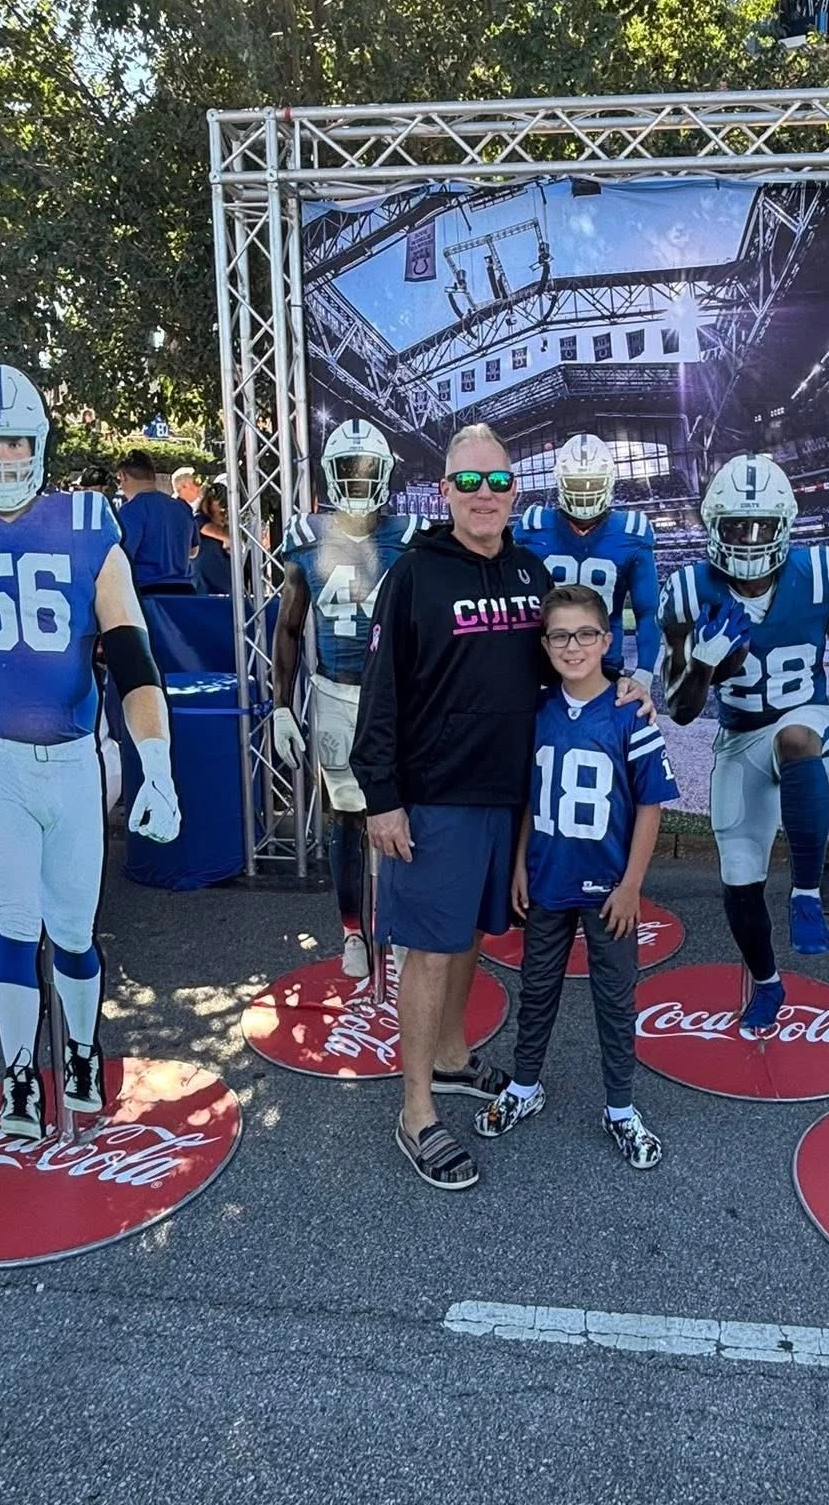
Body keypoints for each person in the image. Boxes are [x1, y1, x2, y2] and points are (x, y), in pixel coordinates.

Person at [351, 423, 651, 1190]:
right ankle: (416, 1110)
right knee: (428, 951)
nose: (483, 495)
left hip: (512, 798)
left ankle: (452, 1058)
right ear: (445, 491)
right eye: (468, 482)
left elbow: (566, 657)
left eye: (497, 481)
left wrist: (621, 680)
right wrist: (382, 798)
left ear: (515, 491)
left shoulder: (528, 571)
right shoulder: (413, 575)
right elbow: (380, 693)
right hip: (435, 797)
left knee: (471, 939)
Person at [0, 364, 181, 1139]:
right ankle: (20, 1071)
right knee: (15, 926)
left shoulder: (88, 521)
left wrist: (156, 765)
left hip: (71, 758)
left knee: (77, 931)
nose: (3, 455)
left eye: (15, 439)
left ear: (39, 441)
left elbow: (133, 658)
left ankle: (81, 1051)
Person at [659, 452, 829, 1034]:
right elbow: (681, 711)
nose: (749, 539)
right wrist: (703, 665)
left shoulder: (820, 575)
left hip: (805, 714)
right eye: (736, 526)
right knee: (740, 883)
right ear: (712, 526)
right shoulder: (690, 590)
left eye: (761, 526)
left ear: (785, 526)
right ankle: (768, 982)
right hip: (739, 737)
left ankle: (807, 892)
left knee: (797, 739)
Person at [475, 584, 679, 1170]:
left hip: (609, 886)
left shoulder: (628, 712)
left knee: (615, 998)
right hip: (548, 877)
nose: (573, 646)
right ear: (544, 644)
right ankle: (525, 1086)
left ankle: (620, 1107)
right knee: (537, 988)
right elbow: (528, 797)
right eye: (560, 635)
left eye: (585, 634)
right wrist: (519, 861)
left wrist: (632, 884)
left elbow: (651, 804)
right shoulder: (537, 711)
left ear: (607, 640)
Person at [272, 419, 425, 982]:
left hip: (400, 695)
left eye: (367, 470)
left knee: (405, 812)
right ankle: (354, 930)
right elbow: (289, 627)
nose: (358, 481)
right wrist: (281, 706)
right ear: (329, 475)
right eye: (348, 470)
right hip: (335, 691)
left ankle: (400, 925)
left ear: (385, 475)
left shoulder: (412, 535)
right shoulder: (307, 536)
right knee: (348, 818)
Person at [518, 434, 661, 687]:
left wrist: (644, 673)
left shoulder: (631, 532)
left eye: (592, 482)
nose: (585, 491)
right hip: (543, 664)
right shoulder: (534, 526)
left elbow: (648, 611)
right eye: (576, 483)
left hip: (605, 665)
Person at [114, 449, 198, 594]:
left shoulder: (131, 510)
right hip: (185, 592)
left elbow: (123, 557)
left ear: (123, 476)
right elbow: (193, 551)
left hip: (148, 593)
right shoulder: (182, 507)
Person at [191, 484, 234, 596]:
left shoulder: (228, 523)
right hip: (204, 581)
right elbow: (207, 529)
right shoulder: (199, 519)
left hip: (224, 578)